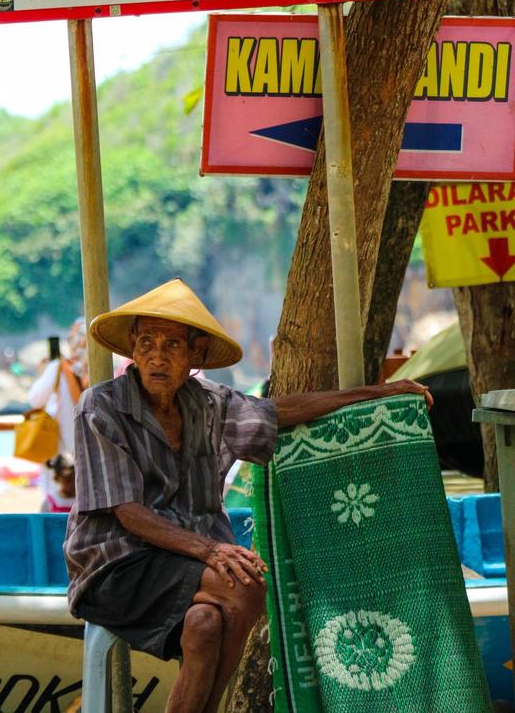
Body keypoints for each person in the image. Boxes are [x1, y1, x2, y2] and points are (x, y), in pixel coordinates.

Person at [64, 278, 433, 713]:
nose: (156, 357)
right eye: (146, 342)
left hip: (184, 566)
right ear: (131, 347)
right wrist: (211, 549)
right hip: (115, 566)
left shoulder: (207, 403)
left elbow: (279, 413)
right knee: (244, 584)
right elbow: (128, 513)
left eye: (171, 346)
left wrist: (375, 393)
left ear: (196, 356)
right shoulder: (101, 406)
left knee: (204, 625)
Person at [28, 318, 87, 511]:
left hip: (60, 451)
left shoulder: (59, 368)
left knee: (55, 506)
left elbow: (35, 399)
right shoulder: (97, 369)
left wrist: (43, 372)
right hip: (87, 453)